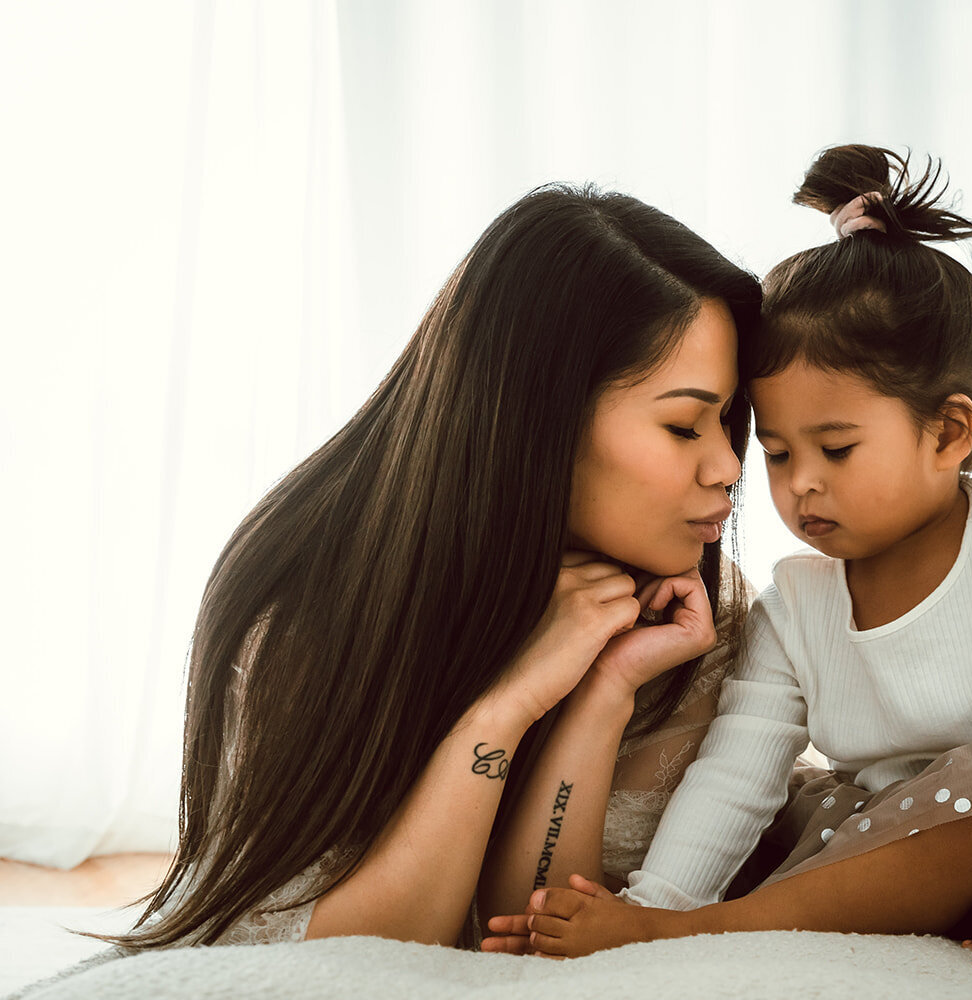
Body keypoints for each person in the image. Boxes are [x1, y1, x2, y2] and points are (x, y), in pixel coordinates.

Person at [488, 146, 972, 983]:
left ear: (948, 433)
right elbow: (739, 769)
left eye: (836, 448)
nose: (800, 485)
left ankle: (702, 933)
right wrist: (659, 899)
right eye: (778, 453)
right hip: (876, 837)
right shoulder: (797, 600)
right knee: (794, 807)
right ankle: (689, 927)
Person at [107, 185, 762, 950]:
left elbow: (530, 929)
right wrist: (503, 709)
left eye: (728, 420)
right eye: (684, 424)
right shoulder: (300, 606)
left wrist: (604, 691)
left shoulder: (684, 614)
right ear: (539, 417)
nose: (727, 466)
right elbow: (361, 955)